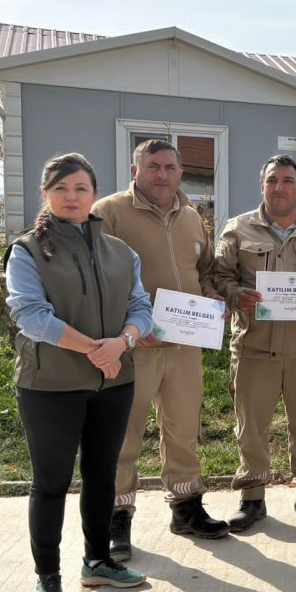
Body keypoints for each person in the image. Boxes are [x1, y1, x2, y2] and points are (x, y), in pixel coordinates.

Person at [5, 153, 152, 592]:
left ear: (94, 194)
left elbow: (141, 308)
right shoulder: (28, 250)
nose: (72, 197)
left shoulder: (120, 252)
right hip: (50, 384)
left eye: (81, 188)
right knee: (50, 482)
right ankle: (47, 580)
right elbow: (29, 314)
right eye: (62, 188)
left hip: (114, 382)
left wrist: (122, 342)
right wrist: (95, 347)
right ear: (45, 194)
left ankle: (98, 560)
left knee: (102, 474)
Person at [94, 139, 229, 563]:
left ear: (180, 172)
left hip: (186, 345)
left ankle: (186, 506)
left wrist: (214, 304)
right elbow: (97, 279)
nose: (162, 174)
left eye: (170, 167)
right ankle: (117, 515)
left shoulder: (192, 217)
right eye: (153, 166)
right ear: (135, 171)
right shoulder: (109, 213)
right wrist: (129, 326)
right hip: (133, 346)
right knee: (124, 434)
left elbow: (204, 271)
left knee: (183, 428)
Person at [212, 154, 296, 530]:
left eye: (287, 180)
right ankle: (252, 496)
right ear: (263, 186)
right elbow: (218, 276)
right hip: (254, 346)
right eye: (272, 180)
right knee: (251, 426)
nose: (279, 187)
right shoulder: (238, 230)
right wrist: (236, 293)